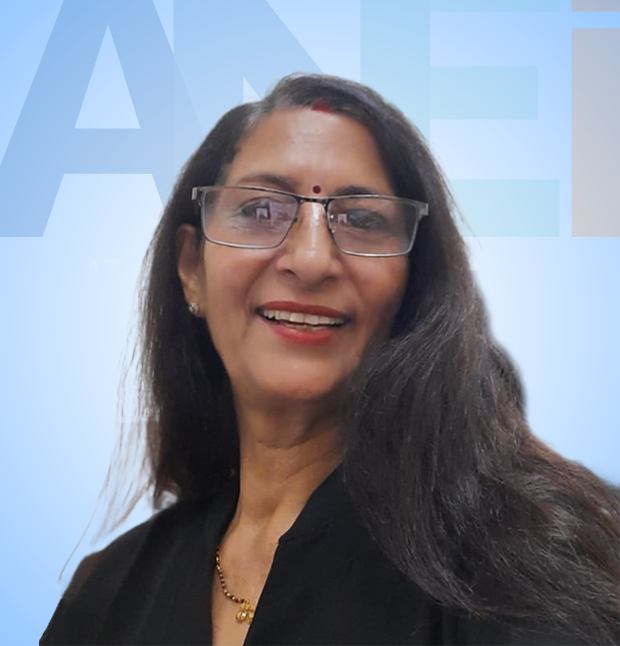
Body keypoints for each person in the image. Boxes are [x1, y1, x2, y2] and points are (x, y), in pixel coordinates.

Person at [40, 74, 619, 646]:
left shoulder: (520, 563)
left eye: (362, 219)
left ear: (412, 283)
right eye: (261, 210)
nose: (312, 259)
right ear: (192, 267)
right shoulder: (107, 597)